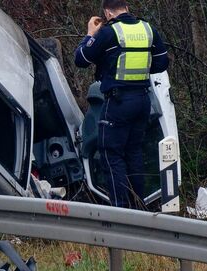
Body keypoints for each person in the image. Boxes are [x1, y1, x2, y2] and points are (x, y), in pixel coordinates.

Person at [73, 0, 169, 209]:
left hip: (118, 102)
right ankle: (139, 208)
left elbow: (80, 59)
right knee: (134, 153)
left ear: (107, 13)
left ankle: (121, 211)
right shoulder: (148, 29)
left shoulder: (108, 33)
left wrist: (90, 34)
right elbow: (162, 63)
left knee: (111, 154)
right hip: (142, 101)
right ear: (127, 8)